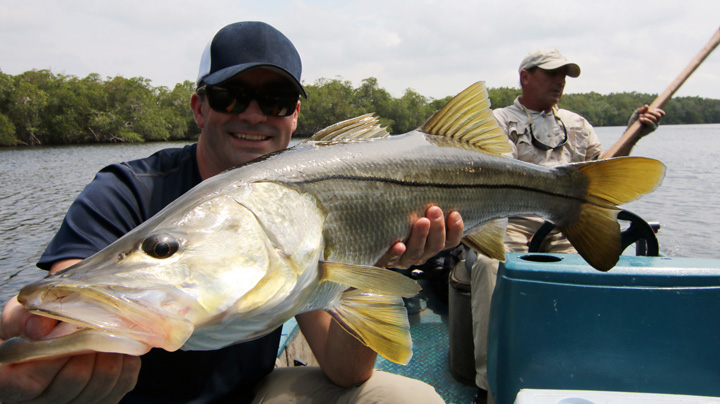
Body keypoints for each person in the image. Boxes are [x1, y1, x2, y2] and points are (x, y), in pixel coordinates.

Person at [0, 21, 464, 404]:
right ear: (199, 107)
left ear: (295, 117)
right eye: (231, 95)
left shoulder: (295, 210)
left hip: (252, 393)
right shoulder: (124, 191)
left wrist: (376, 270)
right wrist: (37, 334)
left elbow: (344, 371)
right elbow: (68, 300)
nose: (254, 114)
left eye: (276, 100)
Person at [469, 48, 665, 404]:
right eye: (550, 74)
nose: (559, 81)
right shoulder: (496, 120)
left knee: (591, 269)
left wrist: (633, 134)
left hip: (564, 224)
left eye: (564, 75)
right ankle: (489, 382)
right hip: (507, 219)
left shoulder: (577, 124)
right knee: (487, 266)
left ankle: (581, 369)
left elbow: (602, 174)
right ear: (525, 76)